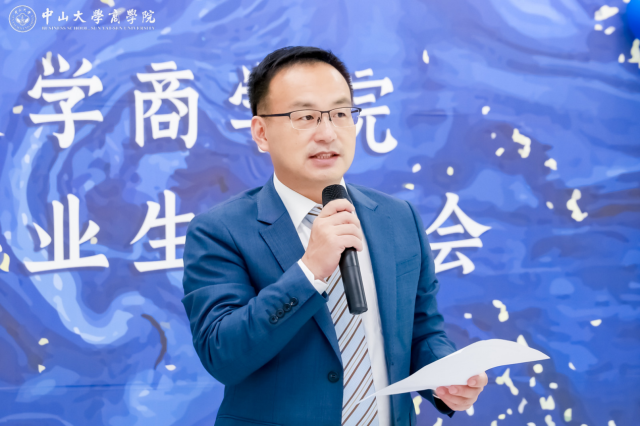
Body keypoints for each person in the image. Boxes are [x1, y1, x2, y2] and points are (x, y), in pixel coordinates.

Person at [181, 46, 487, 426]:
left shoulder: (398, 218)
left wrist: (445, 375)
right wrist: (309, 271)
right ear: (261, 132)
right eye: (305, 117)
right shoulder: (220, 231)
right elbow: (222, 354)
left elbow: (422, 332)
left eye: (341, 113)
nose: (327, 133)